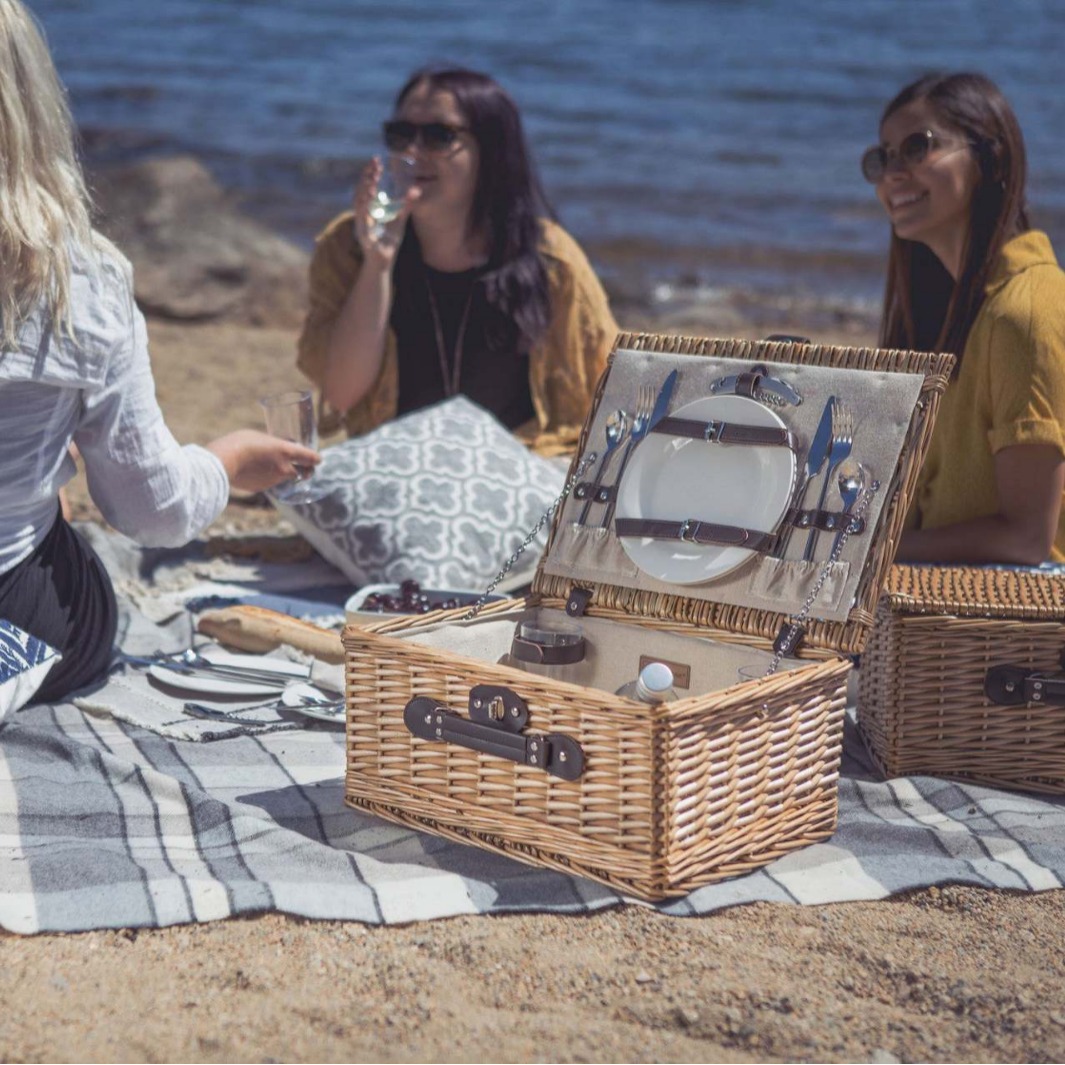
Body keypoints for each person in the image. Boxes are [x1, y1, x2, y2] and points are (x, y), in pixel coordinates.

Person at [0, 0, 319, 703]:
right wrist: (229, 460)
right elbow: (151, 512)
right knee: (85, 584)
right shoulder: (78, 282)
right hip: (15, 602)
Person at [297, 66, 617, 457]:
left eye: (438, 136)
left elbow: (608, 387)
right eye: (401, 135)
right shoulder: (349, 246)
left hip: (515, 467)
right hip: (399, 466)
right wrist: (377, 266)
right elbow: (341, 393)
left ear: (492, 151)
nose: (413, 153)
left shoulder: (548, 258)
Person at [863, 71, 1065, 564]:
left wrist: (869, 554)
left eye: (918, 147)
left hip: (1008, 633)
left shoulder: (1027, 313)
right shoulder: (951, 311)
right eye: (882, 157)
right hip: (932, 615)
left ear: (988, 157)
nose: (893, 173)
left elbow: (1029, 540)